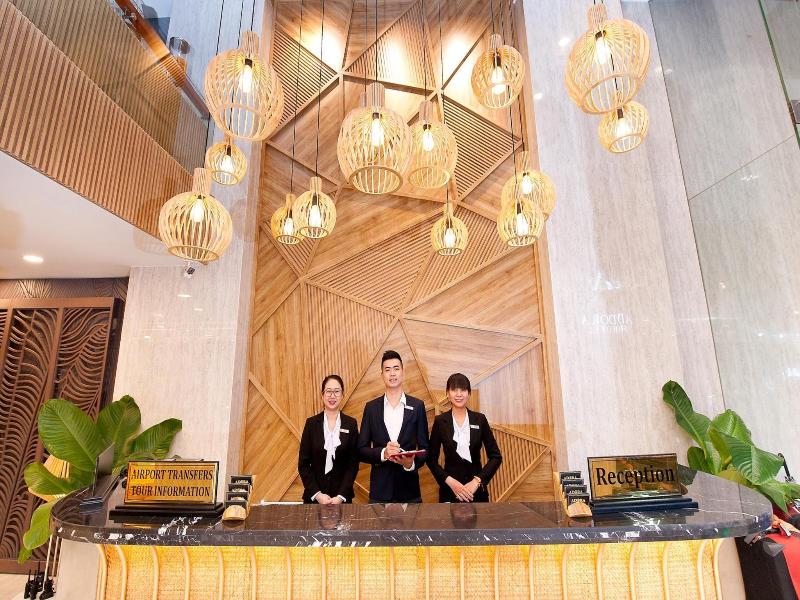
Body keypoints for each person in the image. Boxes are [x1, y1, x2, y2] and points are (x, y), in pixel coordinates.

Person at [358, 350, 429, 503]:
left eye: (396, 368)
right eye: (387, 369)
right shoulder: (371, 408)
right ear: (382, 375)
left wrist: (411, 463)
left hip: (409, 491)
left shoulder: (417, 406)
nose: (392, 373)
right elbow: (361, 449)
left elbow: (425, 448)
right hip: (380, 492)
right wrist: (383, 453)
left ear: (402, 372)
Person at [427, 373, 502, 502]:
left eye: (463, 390)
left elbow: (496, 457)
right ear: (447, 393)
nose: (459, 394)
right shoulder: (440, 421)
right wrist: (450, 481)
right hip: (450, 492)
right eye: (454, 390)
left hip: (476, 493)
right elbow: (430, 459)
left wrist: (477, 481)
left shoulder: (480, 419)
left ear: (469, 393)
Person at [298, 375, 359, 504]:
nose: (332, 396)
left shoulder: (351, 424)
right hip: (314, 499)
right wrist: (318, 495)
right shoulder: (311, 424)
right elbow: (303, 465)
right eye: (328, 391)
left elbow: (353, 465)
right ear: (322, 395)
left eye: (337, 391)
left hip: (342, 499)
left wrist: (340, 496)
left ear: (342, 395)